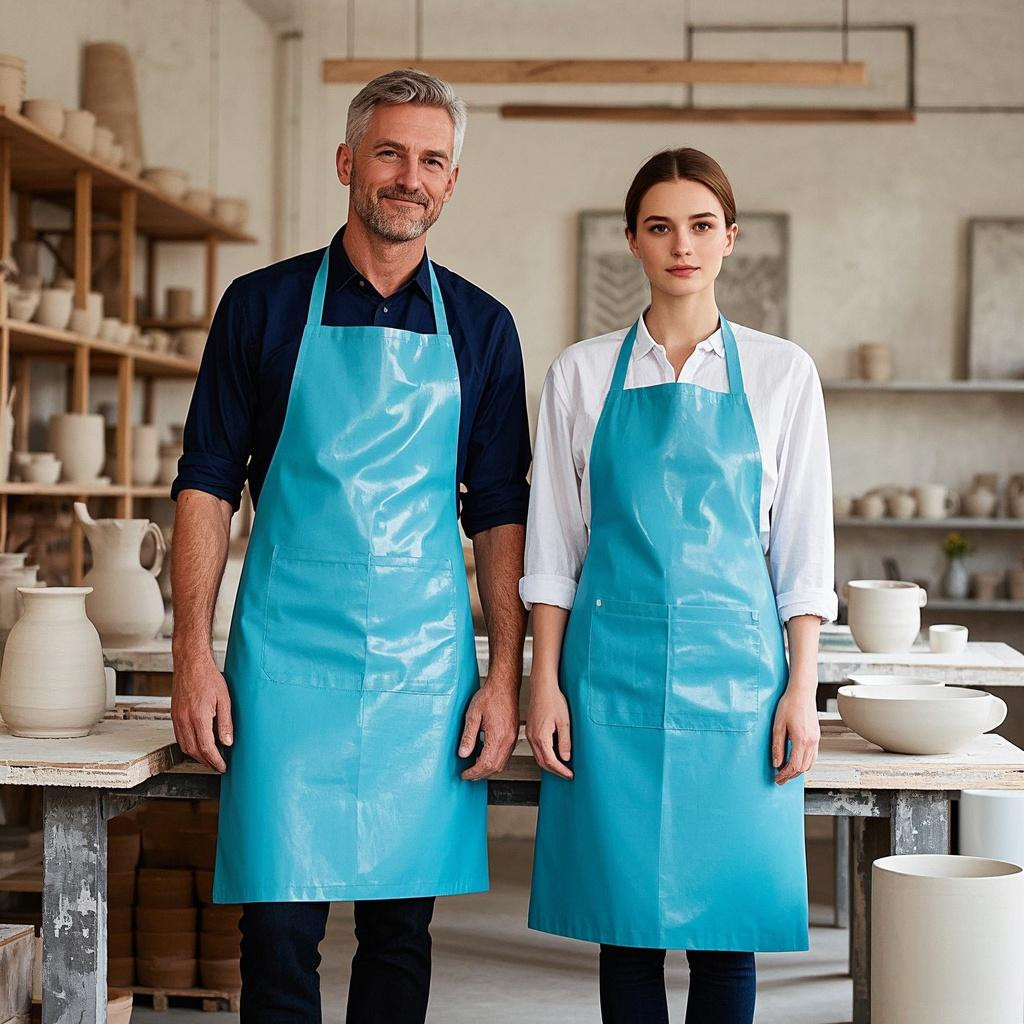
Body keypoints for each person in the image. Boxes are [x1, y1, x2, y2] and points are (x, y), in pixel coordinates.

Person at [170, 69, 530, 1024]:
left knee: (400, 934)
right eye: (389, 153)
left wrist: (503, 676)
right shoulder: (260, 306)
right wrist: (192, 654)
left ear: (451, 182)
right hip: (285, 664)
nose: (410, 177)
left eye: (432, 161)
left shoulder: (484, 329)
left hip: (424, 671)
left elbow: (500, 511)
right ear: (346, 162)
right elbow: (206, 483)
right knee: (277, 935)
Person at [522, 147, 837, 1024]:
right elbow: (553, 548)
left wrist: (802, 688)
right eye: (660, 227)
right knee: (625, 927)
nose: (682, 245)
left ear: (730, 237)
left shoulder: (782, 373)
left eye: (701, 226)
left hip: (741, 686)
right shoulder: (581, 373)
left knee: (727, 933)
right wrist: (543, 682)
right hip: (607, 681)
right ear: (632, 240)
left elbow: (802, 550)